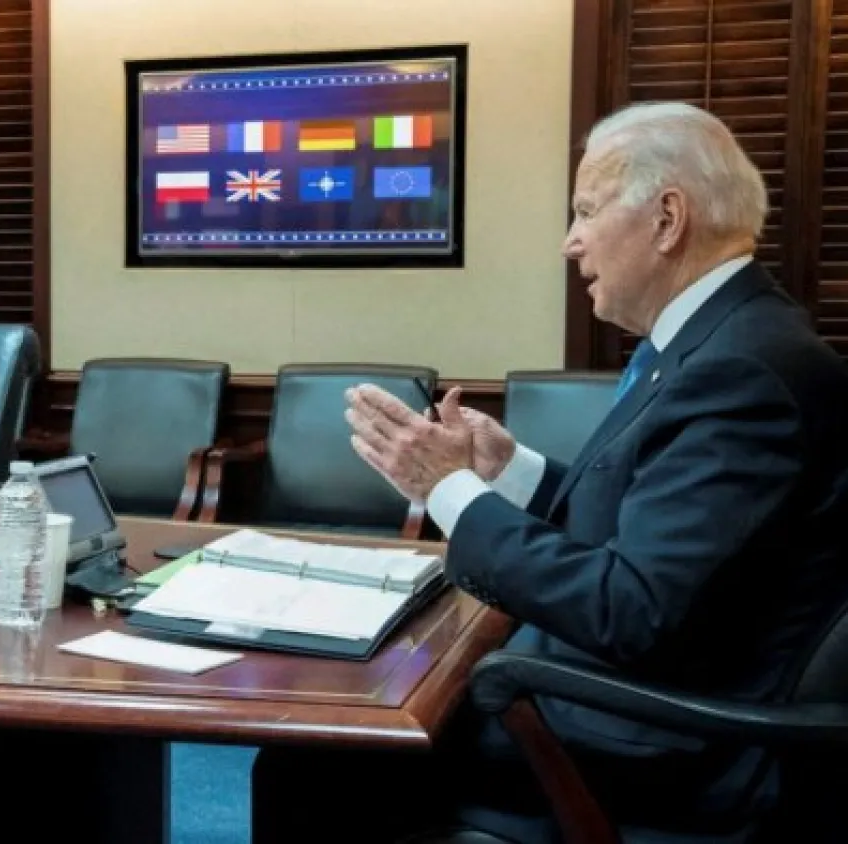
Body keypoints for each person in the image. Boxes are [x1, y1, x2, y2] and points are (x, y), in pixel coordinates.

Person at [253, 102, 848, 842]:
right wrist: (510, 470)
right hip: (632, 697)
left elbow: (628, 608)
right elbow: (648, 517)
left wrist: (448, 488)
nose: (570, 242)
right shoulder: (724, 339)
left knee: (308, 761)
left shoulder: (743, 372)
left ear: (667, 220)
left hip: (653, 748)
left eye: (586, 210)